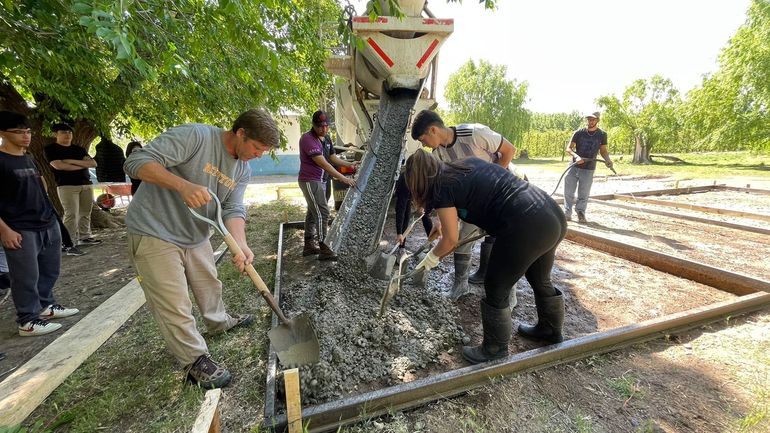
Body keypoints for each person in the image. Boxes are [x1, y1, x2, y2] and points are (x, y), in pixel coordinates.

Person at [123, 108, 279, 389]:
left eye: (263, 152)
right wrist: (182, 186)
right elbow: (136, 162)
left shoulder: (242, 169)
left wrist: (241, 244)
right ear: (240, 133)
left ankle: (218, 322)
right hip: (154, 229)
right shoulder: (196, 136)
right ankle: (194, 358)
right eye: (257, 148)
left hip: (195, 234)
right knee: (174, 302)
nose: (259, 155)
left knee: (209, 284)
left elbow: (232, 208)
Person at [404, 150, 567, 364]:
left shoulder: (442, 187)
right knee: (539, 278)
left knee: (496, 286)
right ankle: (550, 330)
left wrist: (430, 259)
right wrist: (441, 222)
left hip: (525, 222)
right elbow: (467, 197)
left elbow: (450, 241)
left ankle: (494, 349)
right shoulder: (463, 165)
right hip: (550, 215)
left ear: (418, 181)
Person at [410, 110, 518, 299]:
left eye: (422, 140)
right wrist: (440, 221)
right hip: (472, 203)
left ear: (433, 130)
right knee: (461, 240)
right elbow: (444, 192)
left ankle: (501, 291)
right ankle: (462, 284)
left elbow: (509, 150)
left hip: (499, 195)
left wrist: (491, 180)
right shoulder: (438, 154)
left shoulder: (474, 134)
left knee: (499, 243)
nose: (423, 145)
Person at [0, 111, 79, 336]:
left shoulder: (28, 157)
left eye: (28, 131)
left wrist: (52, 218)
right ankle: (27, 320)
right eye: (19, 132)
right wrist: (5, 230)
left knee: (50, 269)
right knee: (25, 276)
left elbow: (40, 186)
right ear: (3, 133)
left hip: (46, 221)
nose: (26, 136)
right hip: (19, 226)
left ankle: (46, 305)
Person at [298, 110, 356, 261]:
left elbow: (333, 158)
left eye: (326, 126)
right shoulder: (307, 139)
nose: (323, 129)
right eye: (320, 126)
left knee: (313, 211)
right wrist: (344, 178)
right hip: (310, 180)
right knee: (322, 212)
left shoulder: (327, 138)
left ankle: (309, 245)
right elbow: (325, 164)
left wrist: (350, 165)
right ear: (313, 125)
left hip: (322, 180)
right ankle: (324, 248)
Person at [44, 123, 102, 246]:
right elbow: (58, 165)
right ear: (55, 134)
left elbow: (93, 164)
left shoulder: (79, 149)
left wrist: (70, 161)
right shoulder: (51, 149)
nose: (67, 135)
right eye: (63, 132)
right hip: (67, 185)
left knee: (85, 212)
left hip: (86, 184)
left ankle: (85, 236)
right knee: (71, 214)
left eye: (69, 132)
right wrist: (81, 164)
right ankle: (68, 241)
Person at [563, 111, 613, 223]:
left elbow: (603, 151)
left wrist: (608, 160)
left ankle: (580, 213)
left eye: (593, 119)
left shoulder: (602, 135)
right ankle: (567, 213)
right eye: (589, 119)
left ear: (597, 120)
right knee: (568, 192)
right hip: (574, 166)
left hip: (588, 168)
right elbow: (569, 148)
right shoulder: (579, 133)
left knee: (584, 193)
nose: (590, 121)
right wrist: (576, 157)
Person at [394, 171, 433, 247]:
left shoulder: (426, 183)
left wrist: (422, 206)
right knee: (405, 215)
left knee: (425, 214)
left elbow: (428, 198)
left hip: (419, 191)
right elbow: (401, 210)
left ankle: (432, 242)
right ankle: (401, 247)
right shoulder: (405, 184)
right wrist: (399, 233)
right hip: (405, 192)